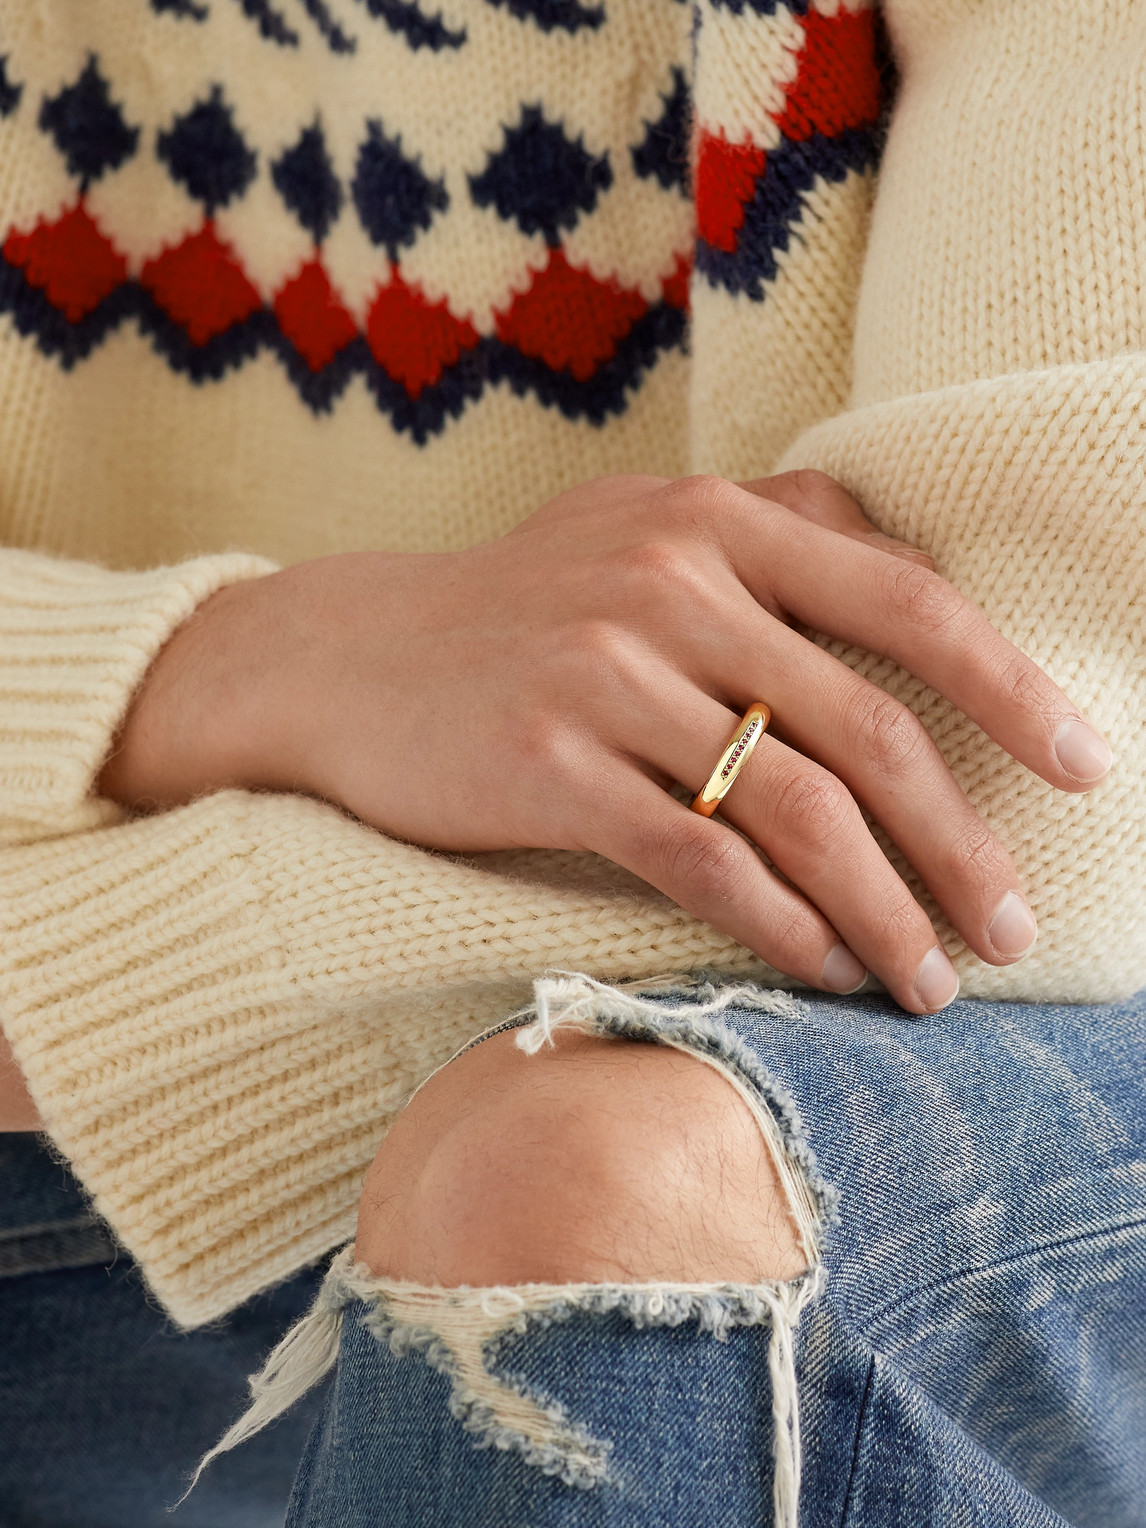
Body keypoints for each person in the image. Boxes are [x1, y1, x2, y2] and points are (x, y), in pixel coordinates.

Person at [0, 0, 1143, 1524]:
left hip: (1051, 1011)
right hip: (295, 987)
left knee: (592, 1187)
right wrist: (241, 661)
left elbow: (1024, 802)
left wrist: (66, 970)